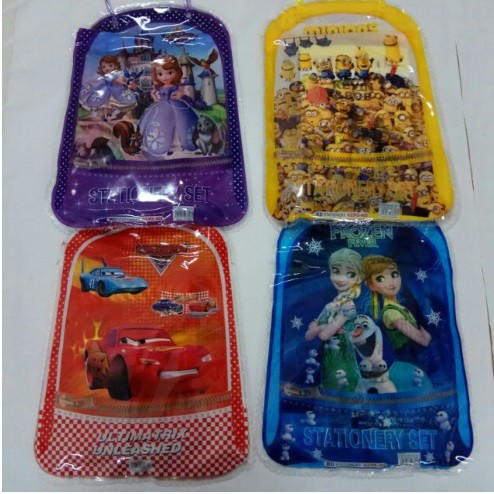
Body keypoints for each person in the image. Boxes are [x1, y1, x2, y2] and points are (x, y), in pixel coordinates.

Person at [305, 248, 362, 391]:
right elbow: (308, 336)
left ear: (359, 278)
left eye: (350, 274)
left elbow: (324, 335)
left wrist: (319, 328)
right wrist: (323, 328)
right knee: (330, 392)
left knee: (347, 392)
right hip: (329, 362)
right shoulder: (329, 306)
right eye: (336, 271)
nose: (341, 279)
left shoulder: (348, 307)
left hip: (344, 362)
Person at [139, 55, 198, 157]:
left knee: (179, 122)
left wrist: (178, 96)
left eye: (170, 73)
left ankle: (176, 144)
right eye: (160, 74)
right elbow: (155, 95)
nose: (165, 77)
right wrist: (155, 97)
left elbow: (180, 93)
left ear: (176, 73)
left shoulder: (175, 87)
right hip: (161, 106)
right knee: (161, 122)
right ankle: (166, 146)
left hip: (175, 105)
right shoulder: (160, 88)